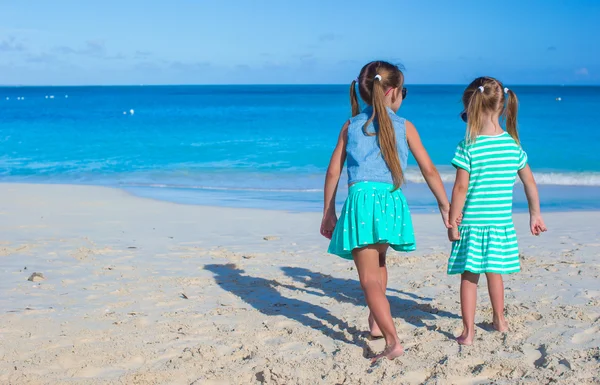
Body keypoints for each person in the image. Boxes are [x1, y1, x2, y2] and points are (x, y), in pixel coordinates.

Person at [320, 60, 451, 361]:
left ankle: (392, 341)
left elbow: (332, 172)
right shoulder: (405, 126)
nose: (403, 95)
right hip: (392, 203)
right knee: (379, 262)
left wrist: (328, 211)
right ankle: (376, 324)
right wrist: (443, 204)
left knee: (367, 279)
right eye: (404, 90)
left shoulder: (351, 126)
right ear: (392, 92)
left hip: (362, 203)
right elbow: (429, 170)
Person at [447, 77, 547, 346]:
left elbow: (460, 188)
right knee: (495, 273)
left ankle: (468, 333)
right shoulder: (513, 146)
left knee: (468, 278)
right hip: (500, 223)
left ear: (473, 109)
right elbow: (529, 181)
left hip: (472, 224)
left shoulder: (468, 145)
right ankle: (499, 320)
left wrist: (452, 220)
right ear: (502, 108)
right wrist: (535, 214)